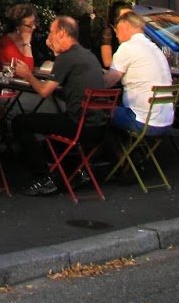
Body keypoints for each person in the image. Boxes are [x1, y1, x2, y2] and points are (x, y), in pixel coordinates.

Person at [12, 14, 108, 195]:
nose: (49, 36)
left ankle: (42, 178)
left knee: (20, 122)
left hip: (79, 126)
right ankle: (76, 170)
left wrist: (27, 75)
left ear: (62, 33)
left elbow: (44, 91)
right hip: (99, 125)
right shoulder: (88, 55)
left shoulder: (67, 57)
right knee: (53, 122)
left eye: (51, 32)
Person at [103, 9, 173, 132]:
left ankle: (114, 151)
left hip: (141, 121)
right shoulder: (154, 48)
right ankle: (132, 150)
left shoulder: (127, 47)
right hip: (166, 121)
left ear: (126, 26)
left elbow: (108, 82)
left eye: (117, 30)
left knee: (99, 111)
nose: (117, 35)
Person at [0, 4, 43, 78]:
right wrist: (26, 43)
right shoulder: (7, 43)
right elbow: (26, 71)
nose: (34, 27)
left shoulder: (34, 39)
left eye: (34, 23)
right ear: (18, 26)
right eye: (29, 25)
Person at [98, 1, 130, 69]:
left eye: (130, 16)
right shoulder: (108, 31)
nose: (128, 19)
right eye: (124, 16)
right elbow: (107, 62)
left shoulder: (131, 30)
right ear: (115, 17)